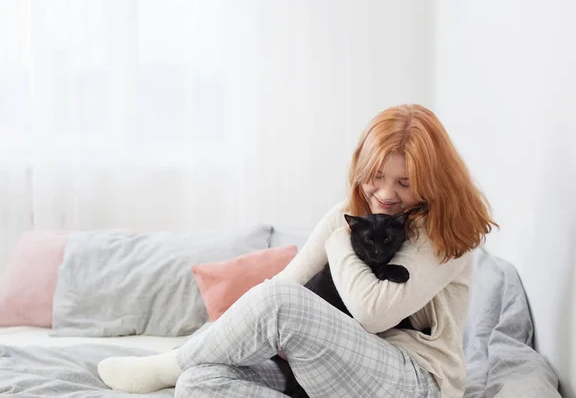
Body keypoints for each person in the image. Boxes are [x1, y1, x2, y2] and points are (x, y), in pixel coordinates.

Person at [97, 104, 497, 397]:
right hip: (344, 367)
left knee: (277, 306)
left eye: (405, 183)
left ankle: (166, 365)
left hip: (417, 381)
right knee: (201, 382)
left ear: (432, 181)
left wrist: (340, 240)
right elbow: (283, 287)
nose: (386, 194)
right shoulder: (347, 215)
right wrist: (238, 335)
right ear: (362, 168)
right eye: (377, 176)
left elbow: (374, 313)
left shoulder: (445, 232)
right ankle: (183, 364)